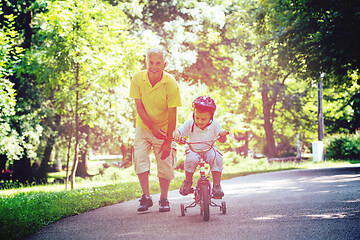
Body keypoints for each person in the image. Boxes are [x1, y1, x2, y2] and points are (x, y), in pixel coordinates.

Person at [129, 48, 181, 212]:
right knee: (140, 157)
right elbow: (139, 106)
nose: (154, 66)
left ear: (164, 64)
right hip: (144, 126)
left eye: (158, 63)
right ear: (146, 62)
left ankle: (164, 198)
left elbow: (173, 113)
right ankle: (146, 197)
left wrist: (168, 141)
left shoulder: (171, 83)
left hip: (165, 128)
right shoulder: (138, 78)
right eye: (151, 62)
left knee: (165, 162)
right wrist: (152, 127)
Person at [173, 96, 227, 198]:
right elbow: (178, 131)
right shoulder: (190, 123)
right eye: (197, 118)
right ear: (194, 114)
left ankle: (217, 186)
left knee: (216, 157)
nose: (200, 121)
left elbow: (222, 139)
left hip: (209, 149)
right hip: (193, 149)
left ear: (210, 117)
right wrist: (177, 135)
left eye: (203, 119)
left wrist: (222, 136)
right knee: (191, 160)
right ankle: (188, 182)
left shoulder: (215, 124)